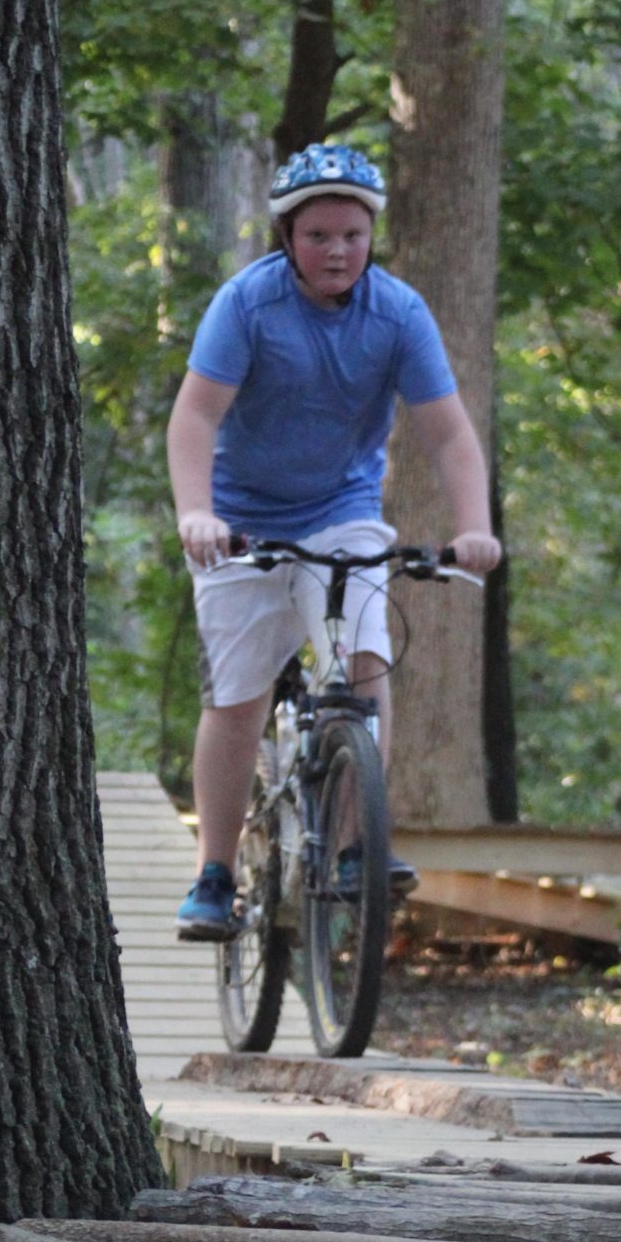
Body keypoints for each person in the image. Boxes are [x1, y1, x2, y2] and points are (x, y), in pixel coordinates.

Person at [169, 140, 502, 941]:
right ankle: (215, 872)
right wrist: (196, 513)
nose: (337, 250)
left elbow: (449, 434)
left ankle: (357, 845)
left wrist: (474, 529)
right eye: (318, 235)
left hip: (341, 509)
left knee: (360, 662)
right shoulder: (247, 305)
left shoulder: (397, 313)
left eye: (352, 234)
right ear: (288, 236)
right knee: (237, 697)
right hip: (240, 516)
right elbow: (195, 417)